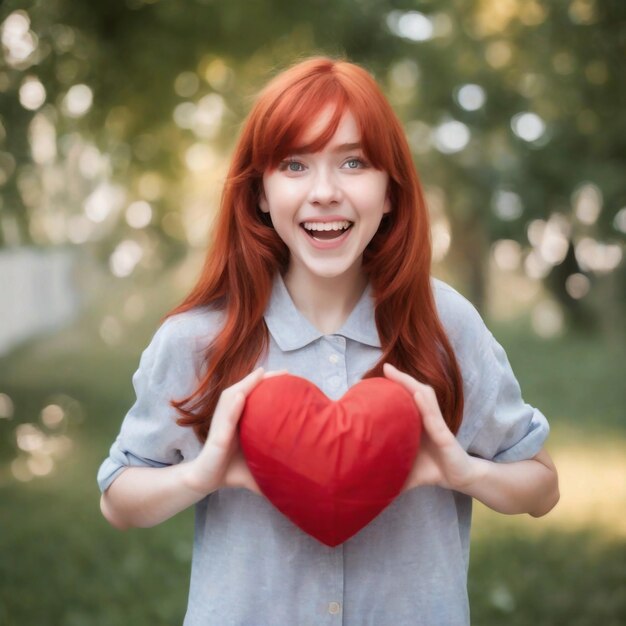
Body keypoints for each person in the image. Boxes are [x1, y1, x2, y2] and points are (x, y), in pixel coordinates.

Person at [97, 57, 559, 625]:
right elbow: (118, 497)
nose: (324, 192)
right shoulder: (198, 339)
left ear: (390, 191)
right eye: (294, 164)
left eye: (354, 162)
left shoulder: (447, 325)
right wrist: (208, 473)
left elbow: (541, 488)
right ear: (260, 193)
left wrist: (460, 472)